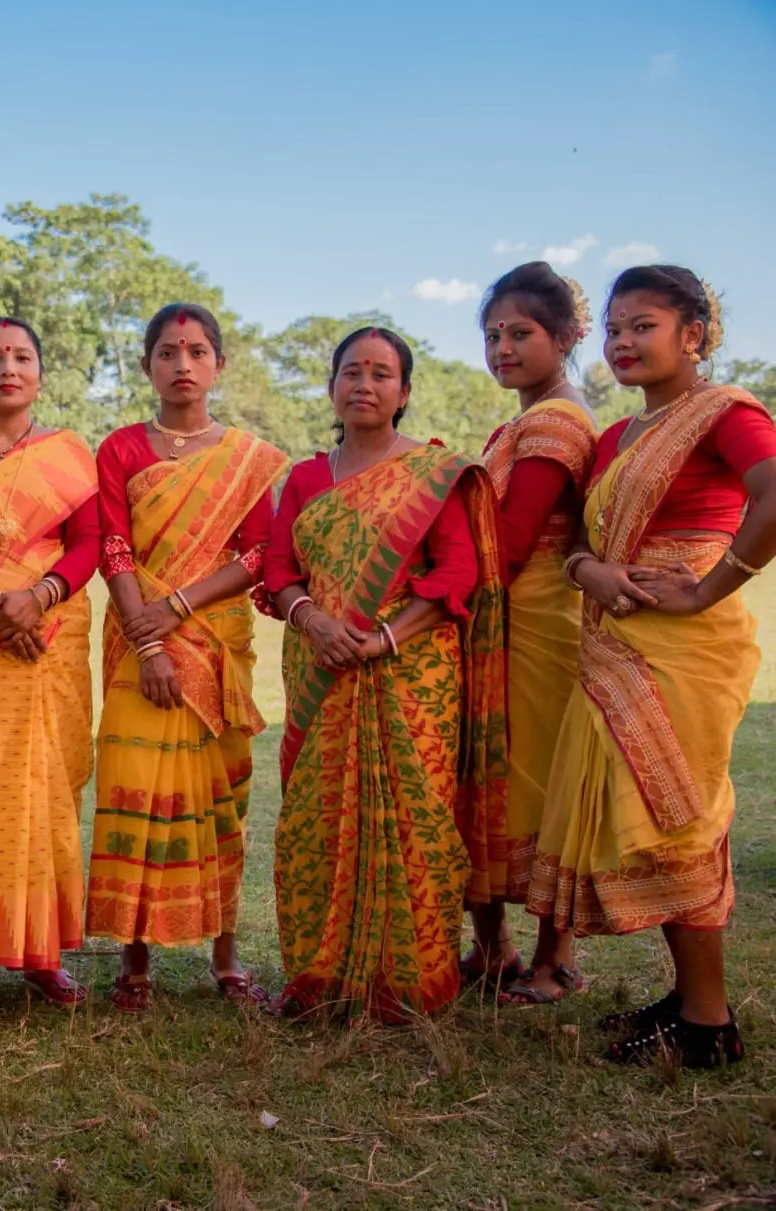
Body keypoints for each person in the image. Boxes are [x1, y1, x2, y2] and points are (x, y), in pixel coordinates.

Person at [528, 266, 776, 1066]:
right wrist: (586, 572)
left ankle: (707, 1023)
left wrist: (711, 584)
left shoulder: (722, 414)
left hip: (684, 646)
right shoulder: (614, 437)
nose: (621, 342)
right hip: (611, 634)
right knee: (657, 815)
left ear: (693, 334)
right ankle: (685, 996)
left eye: (643, 325)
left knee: (680, 818)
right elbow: (575, 542)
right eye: (612, 327)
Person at [265, 326, 505, 1023]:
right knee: (316, 820)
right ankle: (320, 978)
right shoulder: (307, 478)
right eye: (350, 372)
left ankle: (407, 982)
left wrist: (381, 640)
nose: (363, 385)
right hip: (321, 669)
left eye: (379, 374)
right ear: (330, 386)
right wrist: (313, 621)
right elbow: (280, 571)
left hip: (409, 674)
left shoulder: (431, 473)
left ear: (403, 392)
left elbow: (456, 569)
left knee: (414, 822)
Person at [86, 302, 288, 1012]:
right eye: (167, 353)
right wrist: (147, 642)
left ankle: (226, 957)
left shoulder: (245, 458)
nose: (182, 365)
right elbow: (113, 545)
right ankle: (133, 960)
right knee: (133, 802)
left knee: (218, 805)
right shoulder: (119, 449)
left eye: (197, 351)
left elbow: (260, 554)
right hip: (134, 644)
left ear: (218, 365)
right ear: (146, 366)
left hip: (211, 642)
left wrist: (173, 612)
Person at [0, 316, 99, 1017]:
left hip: (51, 634)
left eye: (22, 356)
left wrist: (35, 598)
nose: (8, 367)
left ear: (39, 371)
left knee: (46, 794)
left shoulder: (67, 453)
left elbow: (88, 542)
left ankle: (41, 954)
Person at [466, 264, 600, 1000]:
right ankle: (494, 950)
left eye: (520, 333)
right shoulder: (521, 421)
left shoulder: (555, 421)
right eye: (492, 335)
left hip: (538, 615)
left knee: (541, 780)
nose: (502, 347)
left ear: (567, 337)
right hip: (506, 615)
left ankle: (553, 958)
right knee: (489, 772)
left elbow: (512, 539)